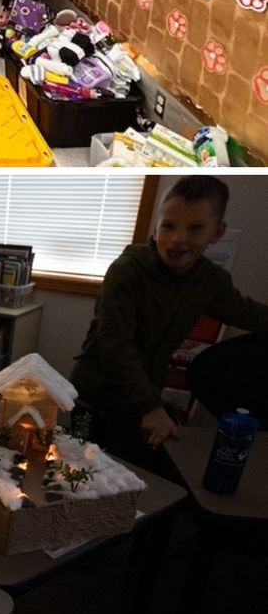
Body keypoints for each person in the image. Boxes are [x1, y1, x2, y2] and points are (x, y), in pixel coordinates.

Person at [70, 176, 268, 469]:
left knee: (128, 476)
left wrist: (150, 405)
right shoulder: (127, 272)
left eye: (195, 228)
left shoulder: (210, 281)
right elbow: (115, 346)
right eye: (169, 226)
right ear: (156, 226)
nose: (178, 239)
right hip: (97, 395)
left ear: (217, 232)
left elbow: (247, 312)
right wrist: (151, 406)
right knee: (79, 470)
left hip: (142, 399)